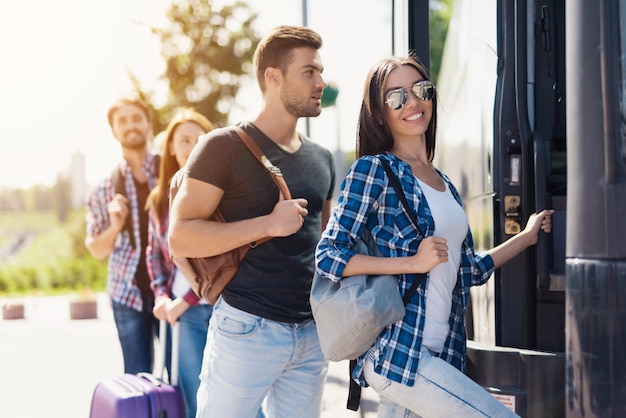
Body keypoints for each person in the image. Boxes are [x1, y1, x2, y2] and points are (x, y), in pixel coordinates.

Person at [314, 54, 554, 418]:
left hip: (442, 351)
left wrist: (527, 236)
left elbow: (469, 270)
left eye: (420, 90)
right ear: (379, 114)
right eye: (396, 97)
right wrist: (412, 262)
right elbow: (329, 255)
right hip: (400, 355)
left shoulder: (446, 185)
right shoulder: (374, 170)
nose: (412, 102)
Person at [168, 25, 335, 418]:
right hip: (247, 330)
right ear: (272, 77)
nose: (321, 82)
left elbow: (326, 245)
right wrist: (266, 225)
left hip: (312, 336)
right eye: (309, 72)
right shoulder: (221, 147)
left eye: (321, 71)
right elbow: (181, 237)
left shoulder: (323, 158)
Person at [145, 108, 215, 418]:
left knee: (237, 403)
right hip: (182, 314)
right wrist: (161, 295)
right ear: (171, 147)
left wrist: (182, 302)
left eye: (201, 139)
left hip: (222, 308)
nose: (193, 146)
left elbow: (219, 259)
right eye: (184, 140)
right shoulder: (159, 199)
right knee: (192, 400)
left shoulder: (222, 194)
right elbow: (154, 254)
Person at [85, 96, 160, 374]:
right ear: (114, 131)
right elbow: (96, 249)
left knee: (184, 376)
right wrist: (115, 226)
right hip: (127, 294)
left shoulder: (170, 172)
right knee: (137, 379)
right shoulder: (103, 188)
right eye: (123, 121)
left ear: (148, 124)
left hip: (171, 291)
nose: (131, 126)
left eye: (137, 118)